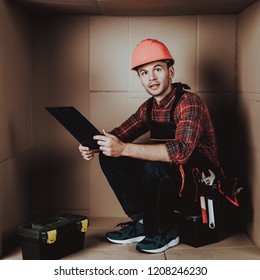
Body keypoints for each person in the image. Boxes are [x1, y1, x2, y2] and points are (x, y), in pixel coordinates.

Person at [79, 39, 222, 254]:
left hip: (200, 185)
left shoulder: (189, 103)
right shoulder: (148, 108)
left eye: (157, 69)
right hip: (171, 179)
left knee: (152, 165)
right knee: (110, 156)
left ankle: (166, 231)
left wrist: (125, 148)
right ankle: (145, 222)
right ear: (140, 78)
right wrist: (94, 145)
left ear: (171, 71)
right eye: (144, 73)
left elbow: (181, 152)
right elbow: (118, 135)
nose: (151, 78)